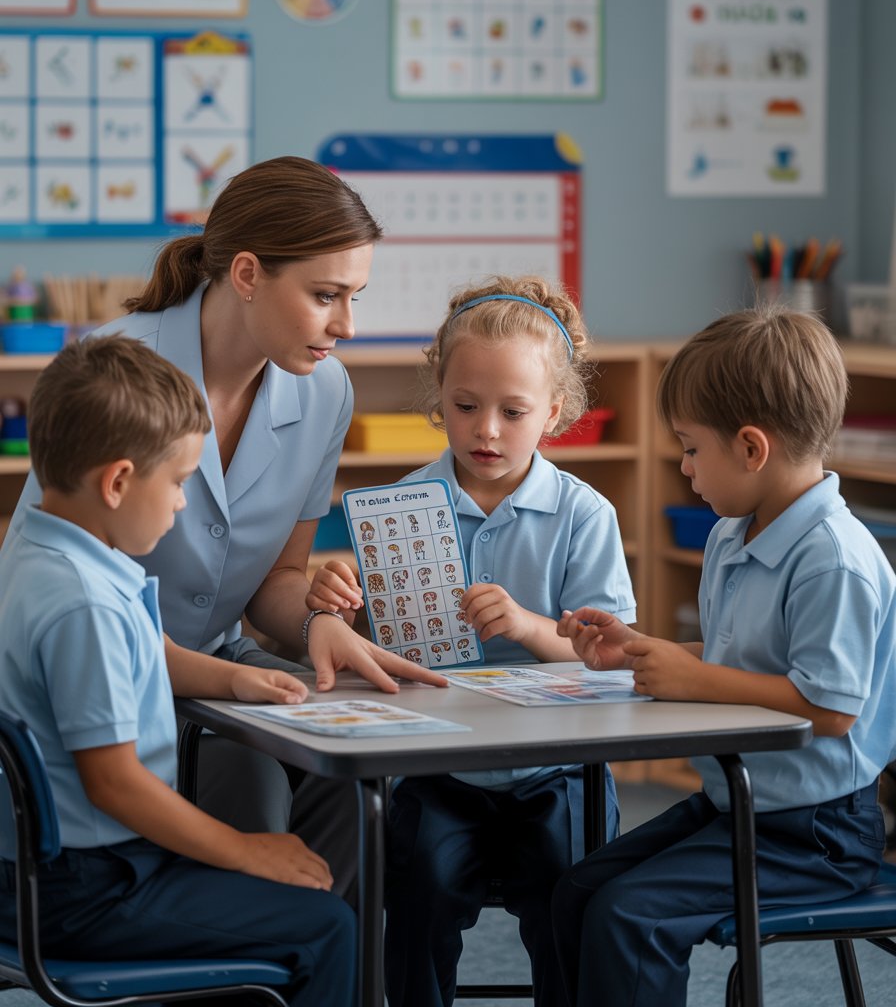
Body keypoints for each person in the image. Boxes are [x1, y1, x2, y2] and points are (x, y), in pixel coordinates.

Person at [8, 155, 447, 901]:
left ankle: (310, 957)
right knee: (250, 782)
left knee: (360, 779)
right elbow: (57, 574)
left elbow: (275, 581)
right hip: (112, 681)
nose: (347, 325)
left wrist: (315, 625)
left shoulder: (324, 391)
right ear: (247, 274)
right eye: (325, 296)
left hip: (222, 669)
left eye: (354, 297)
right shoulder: (118, 370)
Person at [550, 305, 896, 1007]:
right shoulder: (732, 536)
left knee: (631, 919)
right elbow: (745, 658)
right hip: (737, 800)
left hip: (818, 831)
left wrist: (696, 677)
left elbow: (828, 707)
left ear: (750, 448)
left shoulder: (835, 560)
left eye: (689, 447)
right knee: (577, 891)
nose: (682, 467)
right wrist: (643, 654)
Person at [309, 275, 636, 1007]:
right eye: (465, 407)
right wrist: (338, 608)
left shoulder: (584, 515)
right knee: (416, 902)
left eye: (512, 411)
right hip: (439, 767)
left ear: (554, 412)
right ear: (439, 399)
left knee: (570, 901)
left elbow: (612, 653)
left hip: (557, 771)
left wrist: (527, 625)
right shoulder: (403, 505)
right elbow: (379, 639)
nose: (486, 430)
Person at [0, 335, 355, 1007]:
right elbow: (115, 784)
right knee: (326, 925)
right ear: (118, 482)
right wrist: (247, 850)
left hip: (47, 873)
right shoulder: (82, 604)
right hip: (90, 888)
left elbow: (147, 652)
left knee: (282, 900)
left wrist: (232, 677)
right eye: (180, 481)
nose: (184, 503)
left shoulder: (52, 554)